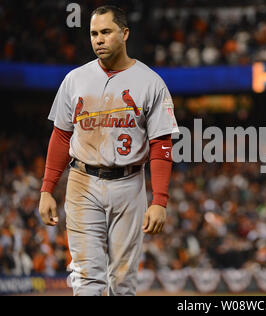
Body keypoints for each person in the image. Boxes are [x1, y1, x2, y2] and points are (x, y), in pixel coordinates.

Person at [38, 5, 179, 296]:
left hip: (129, 184)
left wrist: (160, 200)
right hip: (82, 182)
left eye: (106, 31)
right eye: (93, 33)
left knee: (123, 283)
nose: (98, 39)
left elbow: (161, 144)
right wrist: (46, 189)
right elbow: (61, 136)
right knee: (87, 278)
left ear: (124, 34)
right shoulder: (75, 79)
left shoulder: (151, 82)